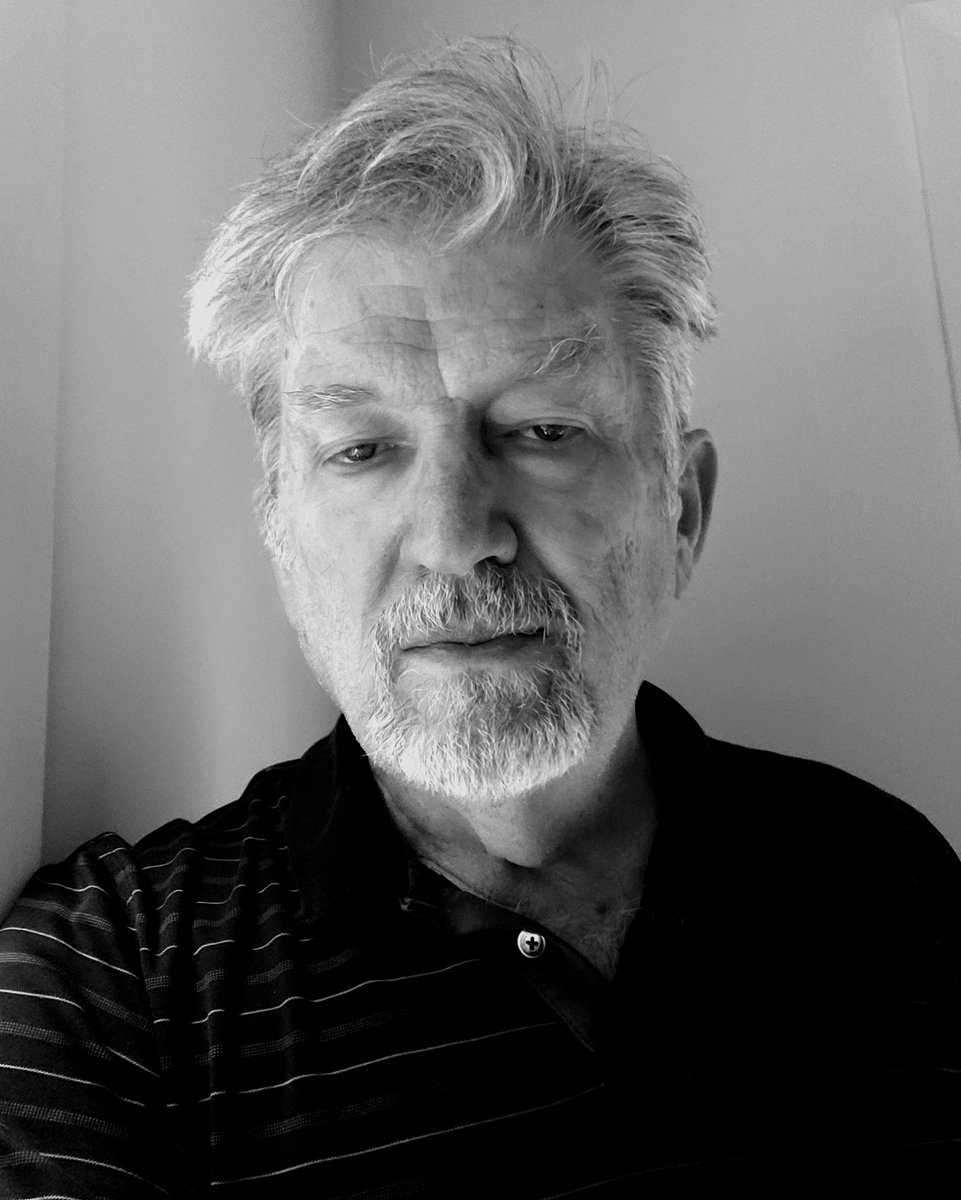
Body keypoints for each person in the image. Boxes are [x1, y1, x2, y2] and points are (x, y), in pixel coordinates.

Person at [1, 36, 958, 1197]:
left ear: (682, 511)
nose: (456, 535)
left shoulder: (891, 877)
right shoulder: (113, 983)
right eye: (362, 449)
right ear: (281, 535)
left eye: (543, 430)